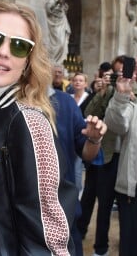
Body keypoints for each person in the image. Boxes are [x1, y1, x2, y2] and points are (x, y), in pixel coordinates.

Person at [0, 1, 104, 255]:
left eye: (19, 46)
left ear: (28, 62)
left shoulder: (31, 123)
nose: (4, 52)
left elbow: (49, 242)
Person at [49, 88, 107, 256]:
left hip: (62, 213)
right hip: (11, 220)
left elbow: (87, 152)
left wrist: (94, 139)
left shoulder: (65, 102)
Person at [77, 57, 124, 256]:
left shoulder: (128, 92)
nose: (116, 77)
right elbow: (88, 113)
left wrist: (117, 92)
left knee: (104, 204)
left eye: (120, 73)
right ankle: (79, 234)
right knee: (87, 197)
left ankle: (101, 248)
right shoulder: (104, 92)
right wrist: (102, 91)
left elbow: (116, 121)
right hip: (96, 152)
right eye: (114, 74)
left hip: (111, 156)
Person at [104, 72, 137, 256]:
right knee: (131, 246)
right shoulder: (134, 106)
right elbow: (116, 125)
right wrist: (120, 97)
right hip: (133, 191)